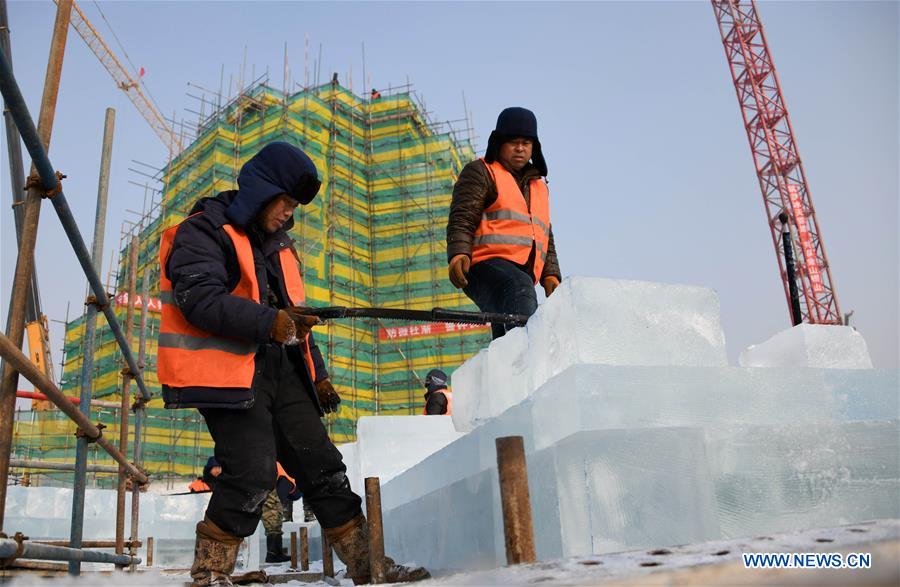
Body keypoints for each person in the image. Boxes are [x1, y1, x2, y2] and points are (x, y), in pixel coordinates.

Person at [158, 141, 430, 586]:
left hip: (284, 371)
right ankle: (209, 573)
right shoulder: (204, 230)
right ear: (261, 192)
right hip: (231, 375)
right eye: (285, 203)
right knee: (251, 472)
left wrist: (317, 374)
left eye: (294, 206)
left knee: (322, 466)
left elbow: (294, 318)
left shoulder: (281, 248)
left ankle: (368, 566)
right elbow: (199, 299)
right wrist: (272, 322)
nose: (289, 214)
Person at [447, 107, 562, 339]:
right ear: (499, 143)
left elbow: (543, 234)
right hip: (483, 266)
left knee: (505, 329)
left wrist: (551, 274)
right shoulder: (482, 172)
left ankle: (507, 370)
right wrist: (458, 253)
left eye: (526, 143)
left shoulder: (539, 187)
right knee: (518, 289)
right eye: (513, 142)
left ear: (534, 147)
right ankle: (525, 358)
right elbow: (462, 217)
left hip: (523, 273)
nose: (520, 148)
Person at [262, 463, 303, 563]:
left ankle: (275, 553)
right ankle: (273, 554)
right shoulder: (289, 481)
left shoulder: (287, 474)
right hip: (266, 478)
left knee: (274, 516)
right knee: (273, 517)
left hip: (264, 476)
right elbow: (277, 502)